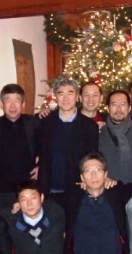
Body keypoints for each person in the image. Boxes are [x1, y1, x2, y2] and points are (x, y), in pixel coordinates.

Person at [37, 77, 98, 211]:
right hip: (49, 191)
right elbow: (38, 151)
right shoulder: (45, 123)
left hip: (77, 190)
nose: (65, 98)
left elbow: (92, 157)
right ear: (55, 97)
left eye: (70, 93)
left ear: (77, 97)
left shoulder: (89, 126)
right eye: (61, 93)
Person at [0, 84, 40, 213]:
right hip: (1, 190)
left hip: (28, 189)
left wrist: (41, 166)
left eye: (17, 100)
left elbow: (47, 148)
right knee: (2, 227)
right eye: (8, 100)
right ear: (1, 104)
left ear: (23, 104)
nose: (12, 105)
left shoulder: (34, 124)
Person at [98, 90, 132, 195]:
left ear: (129, 107)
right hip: (106, 191)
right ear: (108, 108)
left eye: (123, 104)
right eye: (114, 105)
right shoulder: (99, 133)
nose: (118, 109)